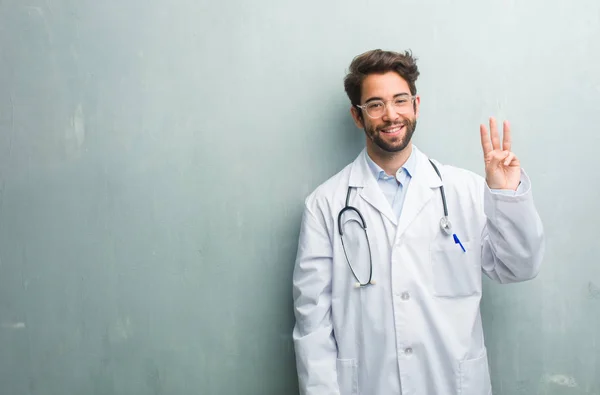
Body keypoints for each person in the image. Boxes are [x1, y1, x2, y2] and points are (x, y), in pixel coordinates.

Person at [291, 49, 545, 395]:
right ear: (357, 115)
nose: (390, 115)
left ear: (416, 105)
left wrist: (505, 195)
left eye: (400, 100)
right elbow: (313, 325)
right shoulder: (326, 205)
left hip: (452, 384)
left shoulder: (465, 190)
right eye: (376, 105)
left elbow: (519, 267)